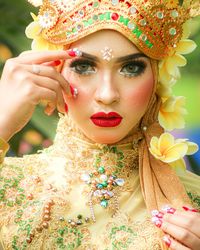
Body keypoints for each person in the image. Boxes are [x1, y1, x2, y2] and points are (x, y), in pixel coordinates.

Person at [0, 0, 200, 249]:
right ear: (54, 71)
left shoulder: (192, 207)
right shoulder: (7, 183)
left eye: (130, 68)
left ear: (158, 76)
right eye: (84, 66)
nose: (107, 94)